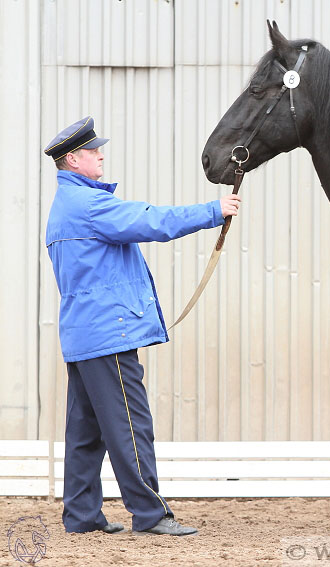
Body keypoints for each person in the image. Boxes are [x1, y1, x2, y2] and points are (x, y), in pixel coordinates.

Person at [44, 116, 241, 536]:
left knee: (86, 432)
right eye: (94, 151)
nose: (100, 155)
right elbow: (152, 221)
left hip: (83, 337)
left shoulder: (64, 207)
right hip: (109, 335)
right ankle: (150, 515)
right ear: (73, 159)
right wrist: (213, 210)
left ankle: (81, 516)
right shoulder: (91, 206)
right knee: (132, 426)